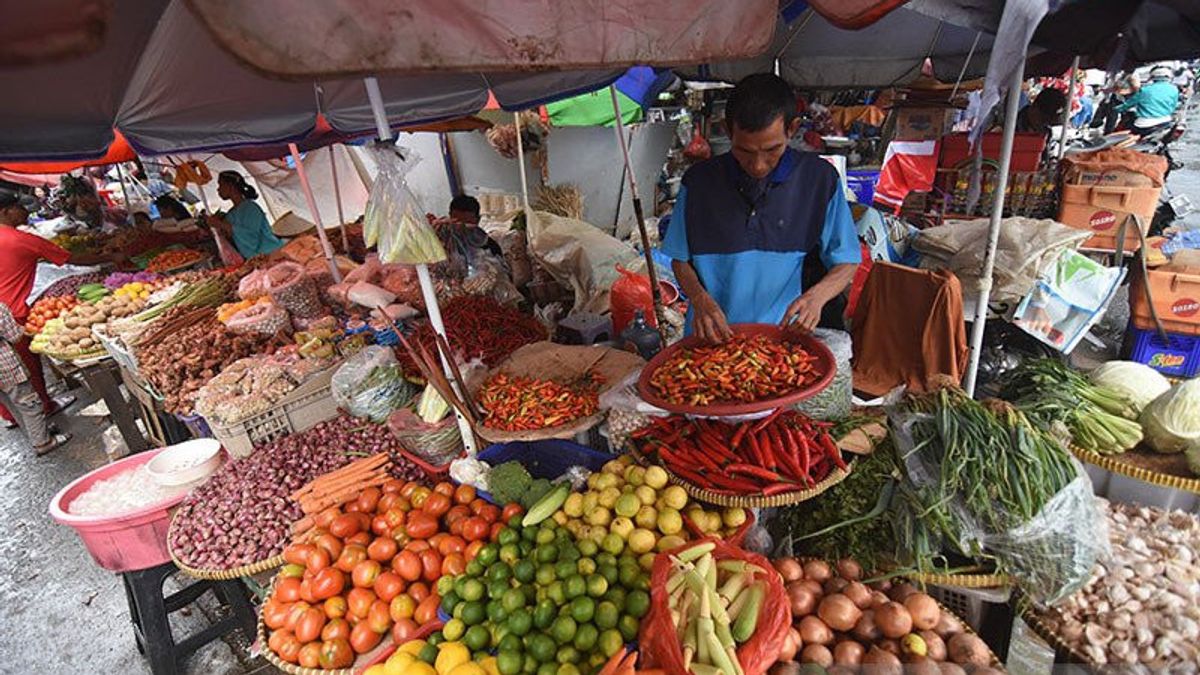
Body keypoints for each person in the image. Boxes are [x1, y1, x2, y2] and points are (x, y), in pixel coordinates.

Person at [661, 73, 861, 342]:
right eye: (744, 151)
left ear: (792, 129)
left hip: (779, 343)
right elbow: (679, 259)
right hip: (710, 339)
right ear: (727, 130)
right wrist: (699, 300)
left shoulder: (819, 181)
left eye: (771, 150)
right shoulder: (698, 184)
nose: (758, 165)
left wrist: (816, 297)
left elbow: (847, 260)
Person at [0, 192, 117, 426]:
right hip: (12, 313)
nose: (26, 212)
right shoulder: (20, 239)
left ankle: (9, 415)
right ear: (6, 212)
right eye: (19, 208)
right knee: (27, 368)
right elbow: (71, 257)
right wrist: (111, 256)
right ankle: (44, 406)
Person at [0, 302, 70, 455]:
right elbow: (15, 337)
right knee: (30, 405)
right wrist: (25, 329)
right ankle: (43, 442)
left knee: (12, 404)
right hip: (7, 369)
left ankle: (36, 434)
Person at [207, 171, 284, 258]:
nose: (218, 189)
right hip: (256, 259)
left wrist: (221, 224)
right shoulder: (231, 213)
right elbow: (233, 237)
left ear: (230, 186)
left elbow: (252, 238)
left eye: (220, 185)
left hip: (273, 254)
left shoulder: (250, 207)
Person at [1116, 66, 1181, 135]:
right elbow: (1173, 106)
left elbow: (1128, 104)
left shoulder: (1145, 90)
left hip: (1144, 125)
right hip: (1166, 121)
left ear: (1152, 77)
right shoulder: (1174, 89)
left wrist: (1118, 109)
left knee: (1124, 132)